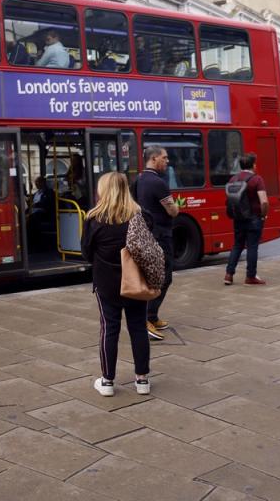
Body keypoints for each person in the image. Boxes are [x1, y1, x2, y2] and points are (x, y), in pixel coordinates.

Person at [81, 172, 152, 398]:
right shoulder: (141, 216)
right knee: (138, 328)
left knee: (109, 330)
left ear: (104, 190)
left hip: (107, 284)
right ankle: (142, 380)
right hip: (136, 283)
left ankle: (108, 381)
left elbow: (86, 254)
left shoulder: (94, 220)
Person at [136, 146, 178, 341]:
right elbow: (173, 211)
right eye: (164, 157)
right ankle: (146, 318)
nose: (167, 161)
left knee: (151, 275)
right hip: (161, 236)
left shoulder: (139, 179)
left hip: (146, 235)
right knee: (164, 276)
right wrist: (176, 206)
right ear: (154, 159)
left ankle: (151, 316)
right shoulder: (158, 183)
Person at [223, 153, 269, 285]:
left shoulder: (233, 179)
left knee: (237, 245)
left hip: (238, 217)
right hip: (254, 217)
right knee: (252, 247)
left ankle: (228, 275)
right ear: (253, 165)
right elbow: (264, 202)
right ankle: (250, 277)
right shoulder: (257, 179)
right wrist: (263, 215)